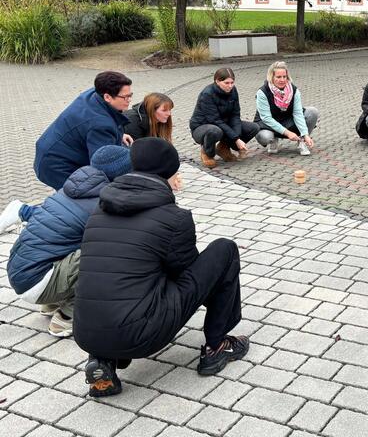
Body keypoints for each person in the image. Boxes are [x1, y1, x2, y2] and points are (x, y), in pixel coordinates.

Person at [75, 138, 247, 397]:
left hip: (87, 332)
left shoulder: (98, 212)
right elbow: (188, 274)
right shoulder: (174, 218)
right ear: (170, 171)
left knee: (118, 280)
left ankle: (102, 362)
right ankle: (217, 346)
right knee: (224, 250)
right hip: (142, 335)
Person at [5, 146, 132, 337]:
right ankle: (67, 316)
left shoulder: (70, 189)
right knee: (107, 252)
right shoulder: (102, 203)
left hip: (21, 272)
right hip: (37, 281)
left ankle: (52, 301)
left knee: (76, 243)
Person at [34, 71, 133, 190]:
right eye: (125, 97)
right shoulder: (101, 125)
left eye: (130, 95)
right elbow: (104, 166)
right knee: (82, 193)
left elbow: (103, 121)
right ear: (107, 97)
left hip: (51, 149)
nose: (129, 100)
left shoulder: (95, 93)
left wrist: (118, 134)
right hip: (56, 165)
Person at [189, 68, 259, 169]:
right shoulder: (207, 94)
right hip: (202, 127)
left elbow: (235, 115)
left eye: (232, 82)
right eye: (226, 83)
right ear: (217, 81)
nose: (230, 86)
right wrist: (236, 139)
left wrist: (237, 136)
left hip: (223, 124)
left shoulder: (233, 90)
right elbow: (215, 120)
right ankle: (207, 153)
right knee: (214, 131)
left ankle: (223, 148)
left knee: (254, 127)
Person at [254, 62, 319, 156]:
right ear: (271, 77)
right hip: (267, 124)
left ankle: (302, 141)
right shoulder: (262, 92)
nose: (282, 80)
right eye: (278, 77)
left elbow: (298, 113)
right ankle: (273, 140)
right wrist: (288, 133)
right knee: (265, 137)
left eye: (284, 76)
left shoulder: (294, 90)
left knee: (312, 112)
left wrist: (305, 134)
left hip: (287, 121)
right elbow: (267, 118)